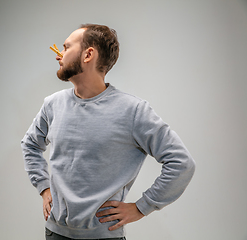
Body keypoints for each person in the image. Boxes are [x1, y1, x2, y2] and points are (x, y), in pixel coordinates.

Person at [21, 24, 195, 240]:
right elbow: (30, 144)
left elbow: (181, 163)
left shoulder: (133, 111)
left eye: (66, 47)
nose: (60, 55)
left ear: (88, 54)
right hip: (55, 233)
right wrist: (43, 187)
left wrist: (142, 207)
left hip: (106, 236)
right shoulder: (52, 104)